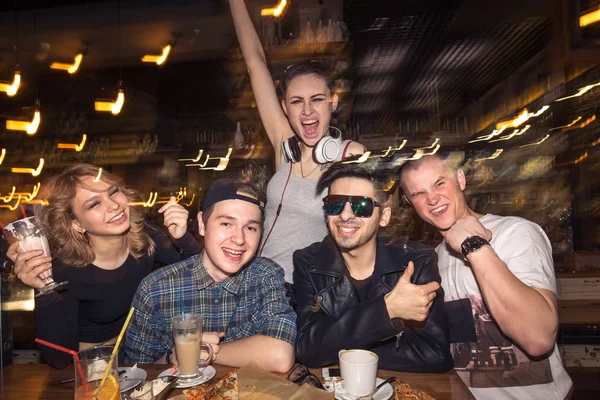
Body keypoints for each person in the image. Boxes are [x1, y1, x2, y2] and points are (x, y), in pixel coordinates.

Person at [399, 155, 572, 399]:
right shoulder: (432, 261)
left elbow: (538, 339)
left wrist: (474, 245)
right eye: (418, 194)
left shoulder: (515, 233)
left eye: (439, 183)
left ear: (460, 179)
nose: (432, 198)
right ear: (410, 202)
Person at [7, 164, 201, 369]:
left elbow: (201, 274)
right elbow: (59, 359)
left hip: (138, 354)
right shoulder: (66, 270)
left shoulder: (146, 238)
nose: (114, 205)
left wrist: (183, 238)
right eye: (94, 204)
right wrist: (45, 290)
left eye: (113, 192)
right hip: (91, 366)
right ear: (76, 224)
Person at [228, 0, 366, 283]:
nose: (306, 112)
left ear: (333, 103)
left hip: (304, 292)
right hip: (255, 281)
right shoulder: (285, 146)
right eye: (296, 102)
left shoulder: (349, 155)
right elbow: (255, 62)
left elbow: (365, 233)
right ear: (285, 108)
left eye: (317, 100)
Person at [292, 162, 452, 372]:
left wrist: (336, 346)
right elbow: (307, 349)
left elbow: (435, 354)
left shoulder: (416, 261)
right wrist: (387, 310)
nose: (345, 215)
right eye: (334, 204)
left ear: (383, 217)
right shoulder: (309, 263)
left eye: (361, 206)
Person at [123, 178, 296, 373]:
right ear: (202, 225)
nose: (239, 239)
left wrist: (203, 352)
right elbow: (135, 373)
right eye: (226, 224)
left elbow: (281, 355)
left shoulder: (266, 275)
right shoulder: (155, 289)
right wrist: (174, 356)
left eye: (250, 228)